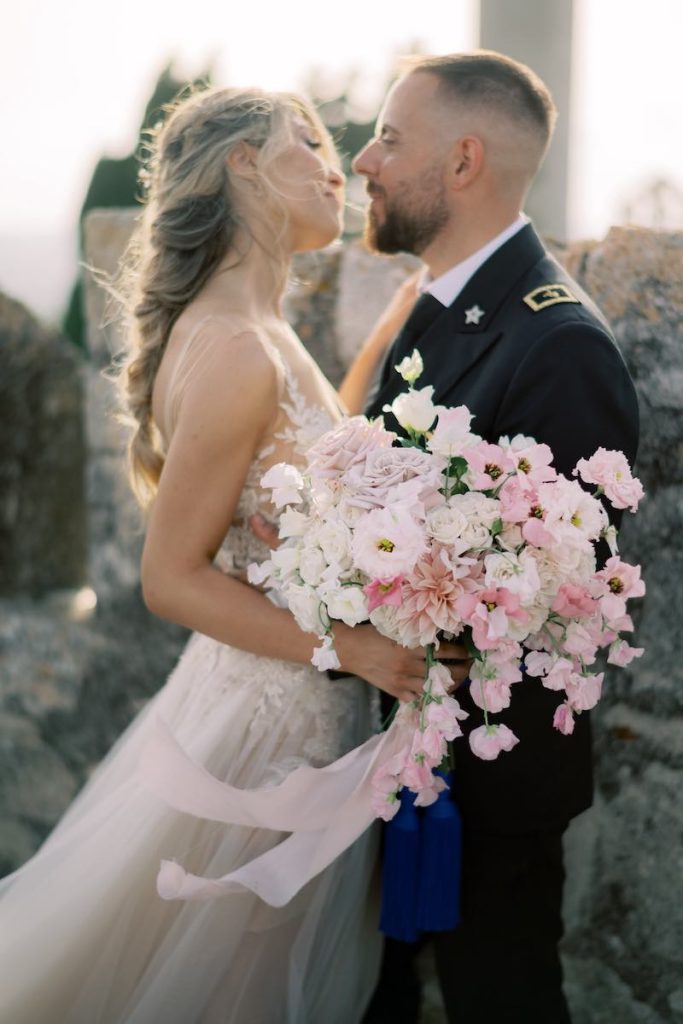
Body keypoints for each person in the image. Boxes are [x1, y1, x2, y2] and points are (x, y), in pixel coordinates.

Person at [0, 85, 467, 1024]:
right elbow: (169, 579)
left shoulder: (257, 332)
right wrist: (356, 649)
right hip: (263, 739)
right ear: (241, 165)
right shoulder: (234, 347)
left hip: (288, 711)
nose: (337, 166)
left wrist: (380, 349)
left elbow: (287, 462)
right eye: (306, 142)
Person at [345, 51, 640, 1024]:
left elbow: (547, 592)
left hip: (487, 787)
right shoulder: (441, 305)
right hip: (392, 752)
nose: (363, 160)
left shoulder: (555, 342)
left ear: (462, 160)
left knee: (500, 1001)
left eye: (389, 137)